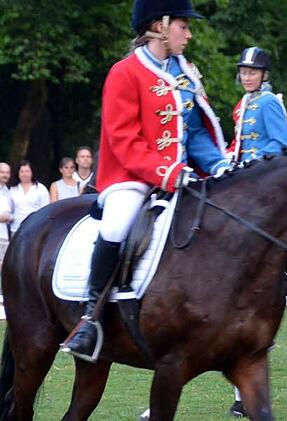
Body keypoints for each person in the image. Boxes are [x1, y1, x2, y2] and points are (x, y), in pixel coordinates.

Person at [61, 0, 231, 361]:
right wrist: (166, 172)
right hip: (134, 177)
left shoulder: (185, 73)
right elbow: (123, 139)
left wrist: (219, 166)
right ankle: (90, 317)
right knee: (118, 224)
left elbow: (196, 133)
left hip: (185, 176)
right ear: (159, 26)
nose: (189, 33)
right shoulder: (124, 73)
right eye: (183, 26)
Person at [227, 47, 287, 162]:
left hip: (265, 168)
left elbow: (281, 142)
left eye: (252, 73)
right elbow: (238, 142)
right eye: (243, 73)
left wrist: (254, 160)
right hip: (244, 168)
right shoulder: (242, 104)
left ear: (264, 75)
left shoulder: (269, 101)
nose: (247, 78)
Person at [8, 161, 49, 236]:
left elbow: (46, 211)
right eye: (22, 171)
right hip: (16, 229)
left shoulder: (41, 189)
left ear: (32, 173)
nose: (24, 174)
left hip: (35, 229)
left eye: (27, 171)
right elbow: (9, 210)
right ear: (18, 173)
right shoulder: (13, 189)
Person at [0, 162, 11, 269]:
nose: (5, 175)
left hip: (3, 235)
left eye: (7, 172)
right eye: (2, 172)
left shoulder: (7, 191)